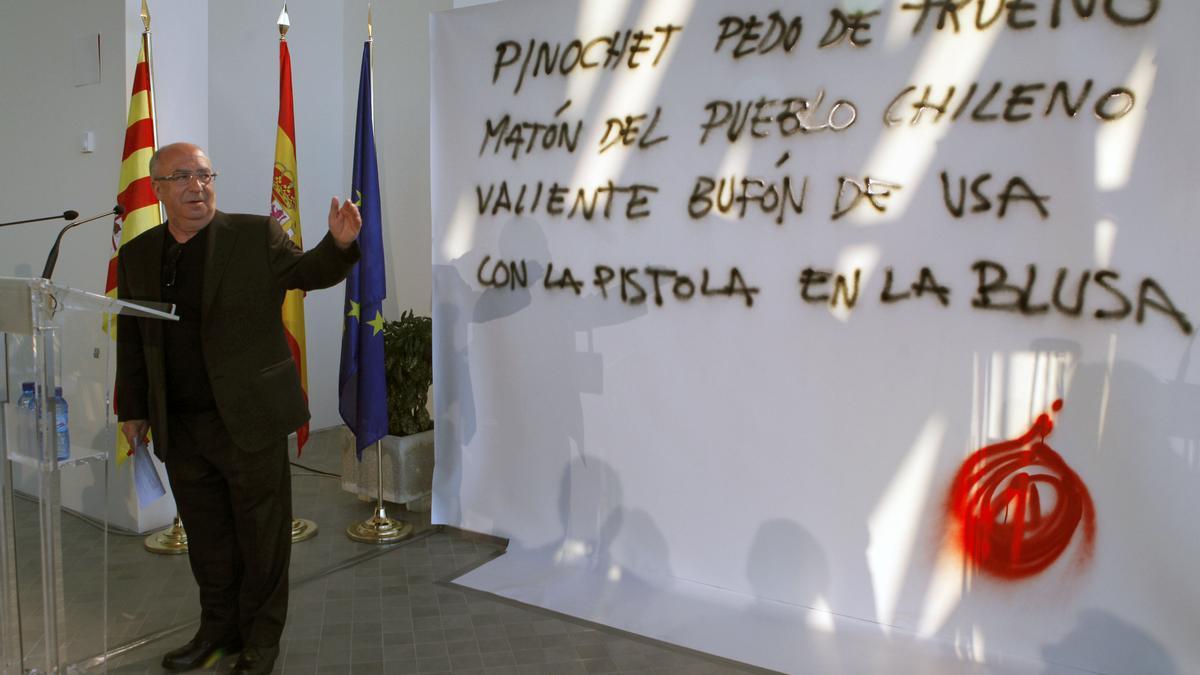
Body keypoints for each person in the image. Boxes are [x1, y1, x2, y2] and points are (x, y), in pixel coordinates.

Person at [116, 142, 361, 675]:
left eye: (204, 175)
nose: (196, 186)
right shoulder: (137, 255)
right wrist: (131, 408)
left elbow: (307, 272)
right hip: (179, 423)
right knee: (207, 538)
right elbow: (132, 339)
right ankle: (218, 632)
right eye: (181, 177)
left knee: (262, 536)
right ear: (157, 189)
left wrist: (338, 245)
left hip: (249, 418)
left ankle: (261, 641)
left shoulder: (253, 235)